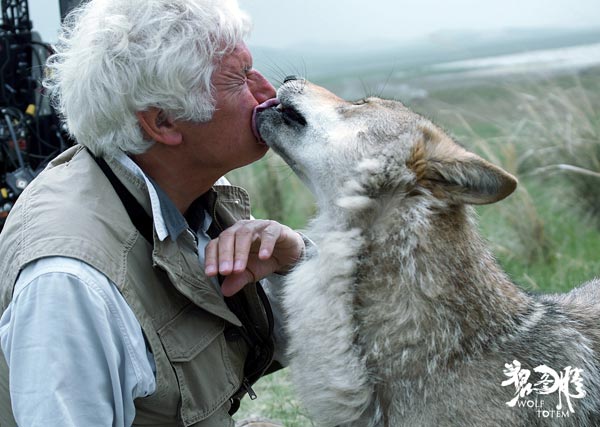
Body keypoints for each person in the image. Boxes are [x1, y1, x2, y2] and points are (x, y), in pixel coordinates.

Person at [0, 0, 305, 426]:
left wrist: (294, 264)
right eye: (238, 78)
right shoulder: (70, 284)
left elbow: (289, 342)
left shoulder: (181, 193)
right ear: (162, 123)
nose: (266, 92)